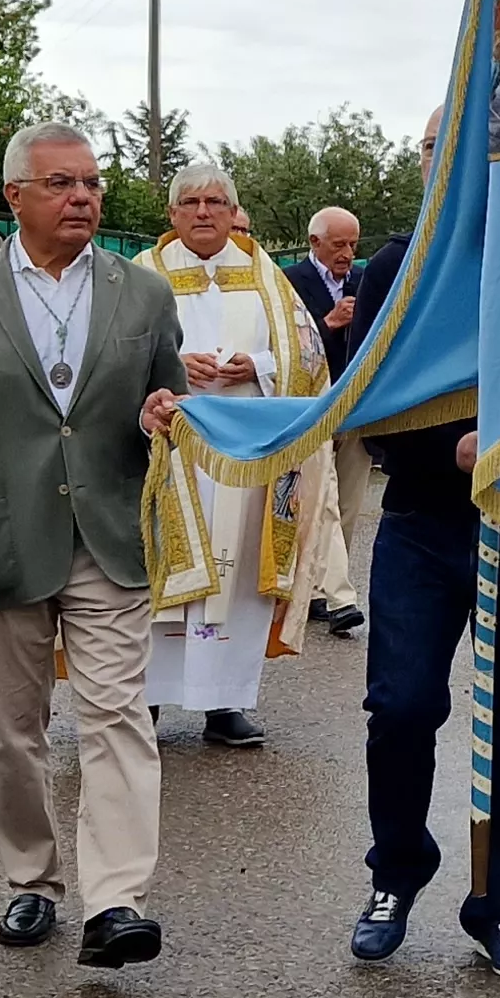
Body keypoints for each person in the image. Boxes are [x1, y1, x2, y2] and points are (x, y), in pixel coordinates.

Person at [0, 122, 190, 970]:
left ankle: (116, 901)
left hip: (107, 539)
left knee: (117, 718)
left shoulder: (142, 295)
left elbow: (166, 400)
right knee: (16, 732)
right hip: (1, 545)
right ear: (15, 198)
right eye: (62, 184)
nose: (83, 198)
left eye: (92, 184)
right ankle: (32, 882)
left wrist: (163, 419)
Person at [340, 113, 500, 981]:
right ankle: (396, 873)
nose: (457, 161)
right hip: (425, 522)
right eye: (439, 147)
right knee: (400, 709)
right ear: (429, 162)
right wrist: (451, 449)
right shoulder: (399, 267)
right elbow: (372, 405)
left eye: (471, 145)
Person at [135, 161, 325, 748]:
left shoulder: (264, 275)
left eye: (214, 202)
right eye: (189, 203)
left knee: (236, 576)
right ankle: (149, 702)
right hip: (169, 456)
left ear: (231, 211)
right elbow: (112, 359)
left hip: (244, 461)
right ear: (171, 214)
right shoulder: (144, 275)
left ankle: (225, 705)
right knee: (154, 578)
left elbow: (309, 355)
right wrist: (174, 367)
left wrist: (260, 367)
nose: (202, 213)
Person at [288, 205, 370, 638]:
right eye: (338, 244)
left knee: (349, 503)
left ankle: (327, 590)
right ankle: (326, 593)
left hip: (355, 409)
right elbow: (283, 345)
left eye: (353, 244)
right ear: (314, 243)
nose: (347, 253)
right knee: (319, 502)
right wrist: (329, 322)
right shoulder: (288, 282)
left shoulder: (363, 282)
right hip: (311, 408)